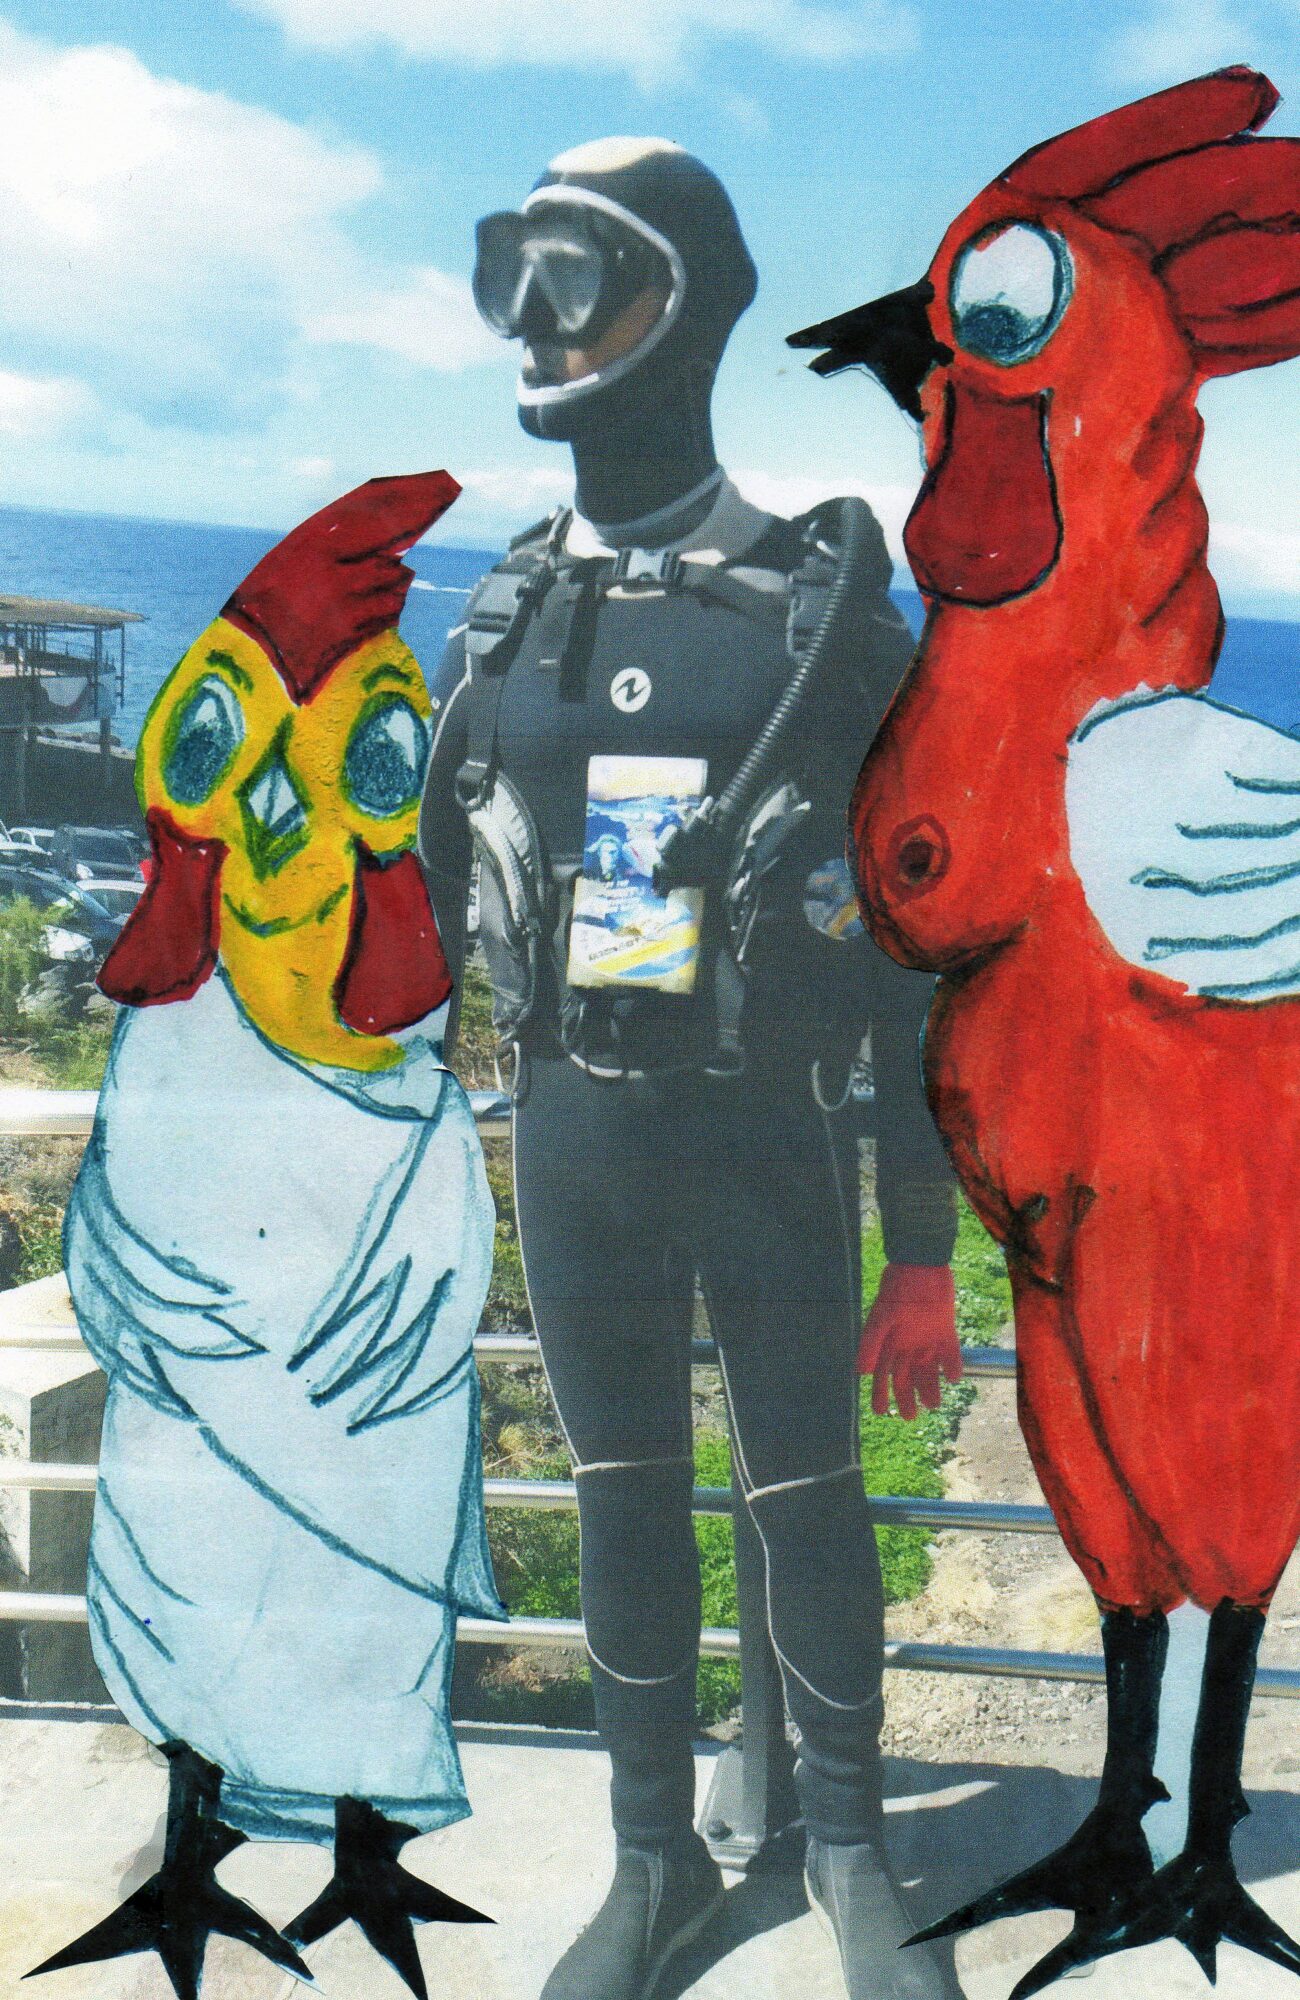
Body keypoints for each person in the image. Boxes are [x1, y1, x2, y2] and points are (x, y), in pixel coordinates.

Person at [420, 137, 962, 2000]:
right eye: (510, 263)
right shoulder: (503, 626)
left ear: (699, 302)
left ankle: (848, 1851)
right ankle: (653, 1859)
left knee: (809, 1495)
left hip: (770, 1145)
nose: (534, 314)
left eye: (580, 267)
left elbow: (906, 978)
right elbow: (421, 928)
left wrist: (919, 1251)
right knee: (626, 1493)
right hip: (576, 1143)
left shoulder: (828, 627)